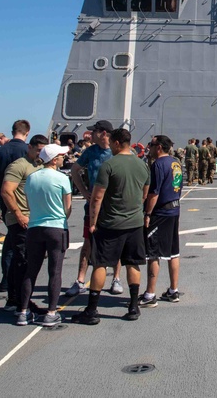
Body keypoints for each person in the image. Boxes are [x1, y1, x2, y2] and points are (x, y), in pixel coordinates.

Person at [72, 128, 150, 325]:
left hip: (110, 224)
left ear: (116, 143)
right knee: (132, 263)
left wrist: (92, 223)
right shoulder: (142, 165)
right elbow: (144, 193)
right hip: (135, 223)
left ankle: (91, 310)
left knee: (99, 264)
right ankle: (133, 306)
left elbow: (97, 197)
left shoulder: (109, 165)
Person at [19, 144, 72, 327]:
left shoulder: (31, 178)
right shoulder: (62, 178)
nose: (64, 158)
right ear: (54, 159)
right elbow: (68, 208)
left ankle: (23, 311)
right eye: (61, 155)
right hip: (56, 227)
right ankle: (51, 312)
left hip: (34, 227)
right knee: (54, 271)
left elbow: (28, 203)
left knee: (31, 271)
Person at [67, 120, 121, 297]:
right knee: (88, 242)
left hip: (113, 205)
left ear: (104, 133)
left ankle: (116, 279)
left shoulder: (117, 151)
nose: (90, 135)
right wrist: (84, 191)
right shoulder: (90, 152)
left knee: (116, 243)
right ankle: (80, 280)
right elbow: (75, 170)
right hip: (91, 205)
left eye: (94, 131)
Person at [0, 133, 48, 314]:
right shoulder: (19, 166)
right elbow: (6, 191)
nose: (39, 154)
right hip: (21, 220)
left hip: (35, 218)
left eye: (43, 151)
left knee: (21, 260)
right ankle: (22, 302)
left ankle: (15, 299)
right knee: (23, 261)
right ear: (29, 147)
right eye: (37, 150)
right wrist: (18, 214)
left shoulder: (39, 165)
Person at [139, 136, 183, 307]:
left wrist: (147, 213)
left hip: (161, 212)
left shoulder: (158, 164)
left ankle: (150, 294)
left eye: (151, 145)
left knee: (153, 253)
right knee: (173, 252)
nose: (149, 147)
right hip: (174, 210)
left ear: (159, 147)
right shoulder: (176, 163)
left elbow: (153, 193)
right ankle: (173, 290)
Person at [0, 120, 30, 291]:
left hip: (5, 199)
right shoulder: (28, 151)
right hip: (26, 201)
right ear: (27, 132)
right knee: (22, 242)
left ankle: (7, 278)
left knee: (11, 237)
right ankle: (19, 281)